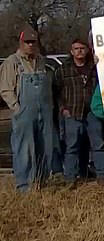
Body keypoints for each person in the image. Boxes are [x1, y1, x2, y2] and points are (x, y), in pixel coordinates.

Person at [0, 24, 58, 192]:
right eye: (27, 42)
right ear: (21, 43)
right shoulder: (13, 62)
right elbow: (5, 89)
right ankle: (24, 186)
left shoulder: (42, 61)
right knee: (24, 149)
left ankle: (41, 182)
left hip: (45, 111)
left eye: (33, 42)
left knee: (45, 147)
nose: (31, 45)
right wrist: (17, 108)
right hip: (24, 112)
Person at [54, 38, 104, 188]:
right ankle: (70, 178)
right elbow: (56, 92)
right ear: (71, 51)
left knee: (98, 144)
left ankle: (103, 175)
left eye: (82, 48)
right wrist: (63, 109)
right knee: (71, 146)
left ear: (87, 50)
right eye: (76, 49)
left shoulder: (95, 67)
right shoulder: (63, 69)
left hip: (93, 112)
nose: (79, 51)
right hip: (72, 111)